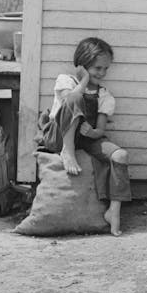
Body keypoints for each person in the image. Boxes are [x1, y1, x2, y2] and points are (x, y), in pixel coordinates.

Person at [35, 37, 130, 235]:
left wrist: (94, 132)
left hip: (86, 139)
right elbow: (70, 100)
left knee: (120, 156)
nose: (102, 73)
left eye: (106, 69)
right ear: (83, 65)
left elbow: (100, 129)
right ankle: (67, 151)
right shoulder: (66, 81)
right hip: (59, 135)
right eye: (97, 68)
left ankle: (113, 212)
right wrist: (84, 80)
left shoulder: (104, 95)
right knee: (76, 96)